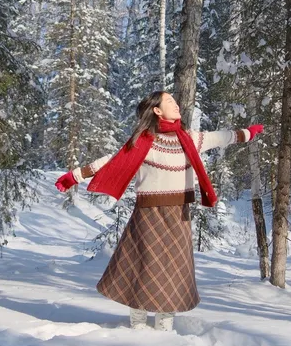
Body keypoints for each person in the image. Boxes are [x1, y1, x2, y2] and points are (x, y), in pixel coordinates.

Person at [55, 90, 263, 332]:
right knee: (141, 266)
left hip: (179, 215)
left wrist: (247, 133)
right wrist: (74, 176)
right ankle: (137, 325)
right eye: (170, 101)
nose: (176, 104)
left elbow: (220, 137)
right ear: (157, 110)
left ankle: (164, 329)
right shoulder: (143, 141)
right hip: (148, 214)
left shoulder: (189, 139)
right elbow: (111, 161)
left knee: (173, 270)